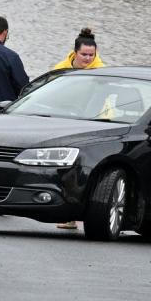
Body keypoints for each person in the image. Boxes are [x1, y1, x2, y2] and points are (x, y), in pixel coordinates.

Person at [53, 27, 106, 231]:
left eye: (91, 55)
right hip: (64, 122)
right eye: (84, 54)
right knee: (66, 171)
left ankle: (90, 214)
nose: (87, 59)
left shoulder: (102, 71)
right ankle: (68, 216)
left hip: (94, 123)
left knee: (88, 170)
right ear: (75, 52)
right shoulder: (61, 69)